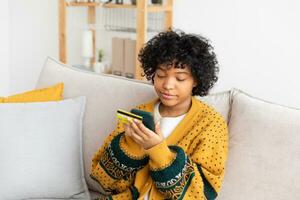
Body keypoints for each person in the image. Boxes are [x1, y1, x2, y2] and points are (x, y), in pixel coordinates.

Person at [90, 30, 229, 200]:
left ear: (196, 80)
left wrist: (157, 150)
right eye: (161, 75)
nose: (168, 85)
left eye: (180, 78)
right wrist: (131, 146)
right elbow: (104, 180)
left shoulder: (211, 124)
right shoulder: (138, 115)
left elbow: (200, 194)